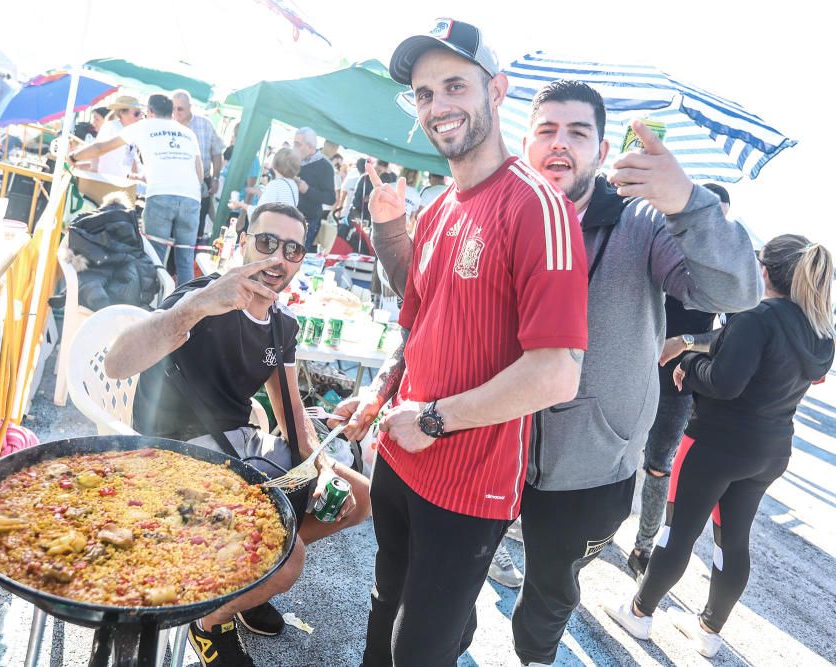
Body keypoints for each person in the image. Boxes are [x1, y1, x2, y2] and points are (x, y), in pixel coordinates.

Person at [369, 78, 763, 667]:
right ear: (524, 142)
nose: (560, 144)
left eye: (578, 133)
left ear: (602, 152)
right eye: (546, 130)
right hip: (475, 447)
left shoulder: (642, 225)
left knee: (547, 598)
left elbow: (736, 290)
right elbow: (429, 305)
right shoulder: (496, 208)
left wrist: (687, 202)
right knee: (451, 595)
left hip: (582, 466)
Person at [333, 19, 588, 666]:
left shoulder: (539, 205)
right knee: (382, 607)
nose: (438, 106)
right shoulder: (443, 205)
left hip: (468, 486)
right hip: (398, 455)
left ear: (496, 91)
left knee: (422, 648)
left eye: (454, 85)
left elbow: (557, 373)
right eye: (424, 94)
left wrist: (437, 419)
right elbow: (416, 326)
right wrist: (376, 392)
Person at [104, 202, 371, 666]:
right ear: (241, 240)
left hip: (236, 448)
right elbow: (116, 364)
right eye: (267, 242)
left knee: (360, 496)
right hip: (169, 459)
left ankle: (248, 580)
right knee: (290, 563)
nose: (277, 258)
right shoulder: (204, 297)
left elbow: (290, 413)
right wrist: (194, 309)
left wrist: (323, 468)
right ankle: (208, 622)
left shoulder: (281, 325)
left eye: (291, 249)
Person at [605, 234, 835, 658]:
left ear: (762, 270)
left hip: (716, 442)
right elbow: (760, 358)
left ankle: (639, 612)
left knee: (679, 534)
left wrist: (688, 365)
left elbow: (726, 381)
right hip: (770, 450)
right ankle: (709, 632)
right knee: (733, 542)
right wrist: (696, 348)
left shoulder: (756, 316)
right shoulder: (818, 329)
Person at [69, 94, 203, 286]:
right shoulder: (188, 133)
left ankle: (154, 310)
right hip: (191, 197)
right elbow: (199, 172)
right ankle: (187, 307)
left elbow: (100, 148)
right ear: (171, 112)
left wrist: (74, 157)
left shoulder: (142, 126)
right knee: (185, 259)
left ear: (149, 111)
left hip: (161, 195)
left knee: (155, 257)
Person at [627, 295, 716, 577]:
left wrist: (685, 341)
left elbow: (730, 335)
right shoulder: (658, 249)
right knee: (610, 451)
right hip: (629, 369)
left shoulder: (722, 269)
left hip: (676, 387)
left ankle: (643, 547)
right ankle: (589, 526)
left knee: (658, 466)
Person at [172, 89, 225, 241]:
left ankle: (188, 263)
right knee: (173, 227)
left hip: (201, 183)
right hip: (175, 183)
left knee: (195, 229)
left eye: (180, 108)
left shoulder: (205, 124)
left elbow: (217, 152)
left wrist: (215, 178)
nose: (176, 112)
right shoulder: (169, 125)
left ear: (190, 107)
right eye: (173, 108)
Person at [293, 127, 337, 251]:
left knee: (295, 257)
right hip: (287, 215)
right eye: (294, 143)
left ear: (310, 147)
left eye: (297, 144)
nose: (294, 147)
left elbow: (330, 198)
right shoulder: (294, 159)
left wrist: (307, 190)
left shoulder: (325, 166)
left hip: (306, 221)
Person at [229, 146, 300, 222]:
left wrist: (240, 205)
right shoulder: (293, 185)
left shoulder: (275, 184)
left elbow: (261, 212)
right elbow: (277, 204)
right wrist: (259, 193)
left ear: (275, 163)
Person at [91, 96, 143, 178]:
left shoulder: (133, 131)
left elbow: (132, 158)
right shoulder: (110, 127)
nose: (140, 117)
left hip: (124, 182)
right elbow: (96, 151)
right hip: (108, 180)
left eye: (140, 113)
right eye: (136, 113)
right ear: (122, 113)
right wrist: (94, 174)